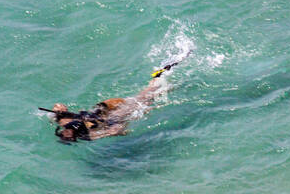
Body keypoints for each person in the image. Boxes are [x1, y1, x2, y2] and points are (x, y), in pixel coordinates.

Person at [39, 53, 189, 142]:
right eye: (68, 137)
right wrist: (117, 131)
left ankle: (164, 79)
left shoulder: (63, 121)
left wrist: (57, 110)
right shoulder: (88, 135)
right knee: (144, 99)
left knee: (144, 99)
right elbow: (111, 131)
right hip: (108, 115)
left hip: (105, 109)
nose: (67, 133)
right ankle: (163, 80)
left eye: (65, 133)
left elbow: (59, 107)